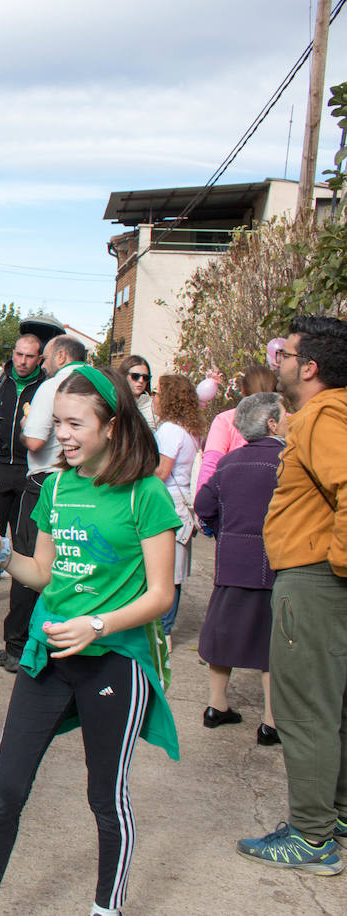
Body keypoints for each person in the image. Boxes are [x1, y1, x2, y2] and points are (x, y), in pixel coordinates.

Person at [0, 365, 179, 916]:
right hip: (50, 652)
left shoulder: (145, 494)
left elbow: (160, 595)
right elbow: (42, 574)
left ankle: (107, 910)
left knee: (105, 797)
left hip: (114, 659)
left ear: (111, 424)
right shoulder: (55, 485)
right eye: (57, 422)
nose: (62, 434)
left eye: (75, 423)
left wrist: (99, 625)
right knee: (5, 788)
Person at [238, 315, 347, 875]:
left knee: (305, 713)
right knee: (332, 707)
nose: (275, 358)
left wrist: (339, 562)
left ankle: (311, 837)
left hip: (313, 580)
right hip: (322, 577)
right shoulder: (328, 415)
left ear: (308, 367)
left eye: (285, 351)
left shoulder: (323, 415)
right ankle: (333, 815)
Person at [195, 392, 285, 744]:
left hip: (232, 560)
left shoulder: (229, 462)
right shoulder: (287, 460)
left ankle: (216, 706)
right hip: (276, 560)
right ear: (273, 423)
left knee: (223, 634)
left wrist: (222, 531)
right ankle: (270, 722)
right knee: (271, 643)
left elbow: (204, 503)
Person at [3, 335, 88, 673]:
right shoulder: (96, 384)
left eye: (45, 357)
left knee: (32, 563)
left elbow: (36, 442)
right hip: (85, 487)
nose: (41, 364)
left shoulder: (53, 386)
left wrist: (26, 424)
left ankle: (18, 645)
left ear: (61, 355)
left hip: (46, 484)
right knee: (72, 563)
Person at [0, 334, 46, 614]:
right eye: (18, 354)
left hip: (28, 469)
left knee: (21, 538)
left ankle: (22, 590)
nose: (22, 361)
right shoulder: (1, 379)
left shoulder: (44, 386)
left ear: (39, 359)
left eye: (29, 356)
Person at [152, 373, 204, 636]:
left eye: (158, 392)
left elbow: (161, 472)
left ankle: (162, 631)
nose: (154, 398)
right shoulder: (189, 430)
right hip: (181, 506)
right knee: (173, 572)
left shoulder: (170, 430)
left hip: (167, 504)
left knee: (165, 572)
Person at [197, 364, 277, 491]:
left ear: (243, 391)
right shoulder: (289, 421)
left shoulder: (226, 420)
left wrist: (204, 503)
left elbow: (211, 463)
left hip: (234, 500)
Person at [118, 355, 156, 430]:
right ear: (124, 375)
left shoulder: (153, 407)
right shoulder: (113, 401)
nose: (141, 381)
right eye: (135, 376)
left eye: (145, 377)